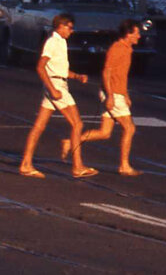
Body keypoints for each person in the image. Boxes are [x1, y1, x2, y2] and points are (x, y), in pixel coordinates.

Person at [17, 13, 96, 178]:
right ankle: (77, 166)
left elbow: (59, 69)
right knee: (77, 124)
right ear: (60, 26)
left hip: (57, 84)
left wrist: (77, 76)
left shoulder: (61, 42)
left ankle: (25, 164)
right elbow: (40, 67)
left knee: (39, 126)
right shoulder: (52, 42)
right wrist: (52, 89)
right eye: (70, 27)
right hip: (56, 87)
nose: (71, 31)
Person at [74, 19, 142, 176]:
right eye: (136, 33)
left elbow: (121, 75)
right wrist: (111, 96)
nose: (139, 36)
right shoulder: (117, 49)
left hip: (118, 93)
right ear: (128, 34)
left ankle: (72, 142)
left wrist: (126, 94)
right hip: (112, 93)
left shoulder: (127, 49)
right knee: (129, 128)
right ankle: (124, 165)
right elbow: (107, 72)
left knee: (105, 132)